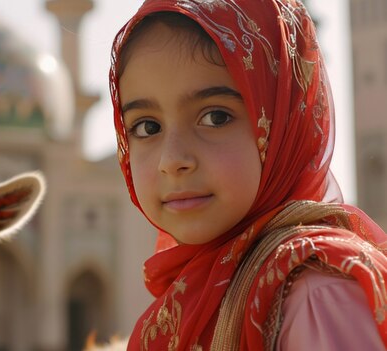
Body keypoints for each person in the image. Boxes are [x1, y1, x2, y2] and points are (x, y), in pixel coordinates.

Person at [109, 0, 387, 350]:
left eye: (215, 117)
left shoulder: (313, 295)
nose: (172, 160)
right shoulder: (193, 290)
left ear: (286, 119)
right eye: (147, 127)